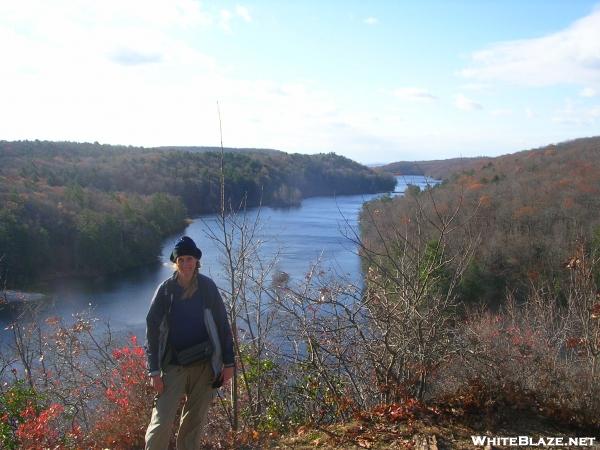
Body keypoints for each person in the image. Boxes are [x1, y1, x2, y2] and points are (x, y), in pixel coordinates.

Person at [145, 236, 235, 450]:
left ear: (197, 261)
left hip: (205, 365)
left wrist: (229, 363)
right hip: (173, 366)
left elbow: (223, 325)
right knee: (161, 422)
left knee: (195, 423)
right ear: (175, 262)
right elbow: (152, 330)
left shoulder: (207, 288)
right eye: (182, 259)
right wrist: (154, 371)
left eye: (190, 259)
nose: (186, 264)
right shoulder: (166, 291)